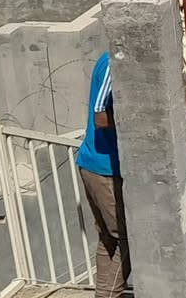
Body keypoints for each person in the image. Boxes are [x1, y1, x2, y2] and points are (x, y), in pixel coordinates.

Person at [75, 52, 129, 298]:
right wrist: (137, 119)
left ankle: (103, 293)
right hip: (104, 169)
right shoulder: (112, 62)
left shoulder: (106, 57)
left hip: (94, 164)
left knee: (108, 238)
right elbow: (100, 117)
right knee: (126, 239)